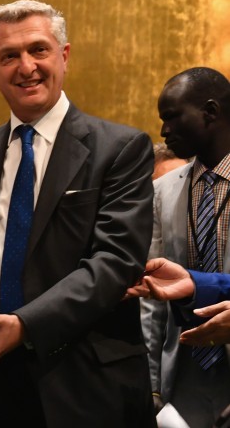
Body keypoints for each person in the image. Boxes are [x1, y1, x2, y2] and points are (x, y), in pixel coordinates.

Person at [0, 0, 155, 427]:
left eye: (38, 50)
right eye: (9, 56)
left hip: (84, 382)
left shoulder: (121, 147)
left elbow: (116, 262)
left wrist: (25, 325)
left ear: (64, 55)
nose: (26, 67)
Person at [134, 67, 230, 427]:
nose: (163, 131)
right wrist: (153, 384)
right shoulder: (163, 190)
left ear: (210, 111)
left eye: (172, 116)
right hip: (185, 368)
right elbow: (152, 298)